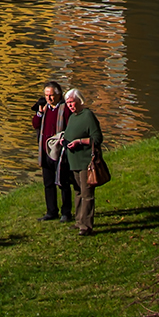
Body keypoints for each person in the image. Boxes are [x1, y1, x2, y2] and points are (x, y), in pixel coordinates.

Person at [59, 87, 103, 235]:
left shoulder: (87, 115)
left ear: (79, 101)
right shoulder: (72, 117)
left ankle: (86, 226)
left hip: (86, 162)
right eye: (68, 103)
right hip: (73, 161)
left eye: (72, 102)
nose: (70, 105)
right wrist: (64, 141)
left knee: (87, 193)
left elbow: (97, 139)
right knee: (78, 192)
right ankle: (79, 221)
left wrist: (80, 142)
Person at [31, 81, 73, 221]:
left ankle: (66, 212)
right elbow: (35, 124)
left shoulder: (64, 109)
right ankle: (51, 211)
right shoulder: (45, 109)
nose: (49, 98)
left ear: (59, 94)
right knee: (48, 184)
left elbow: (70, 127)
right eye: (46, 95)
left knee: (63, 182)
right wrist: (39, 113)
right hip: (45, 151)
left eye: (51, 95)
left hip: (60, 152)